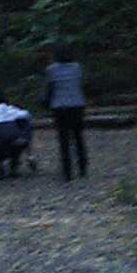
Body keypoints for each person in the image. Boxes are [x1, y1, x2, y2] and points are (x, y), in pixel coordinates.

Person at [44, 40, 87, 180]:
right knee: (78, 137)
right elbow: (80, 84)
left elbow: (50, 88)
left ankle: (67, 171)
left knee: (63, 140)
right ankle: (82, 167)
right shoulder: (77, 67)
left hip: (60, 106)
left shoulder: (51, 69)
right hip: (77, 104)